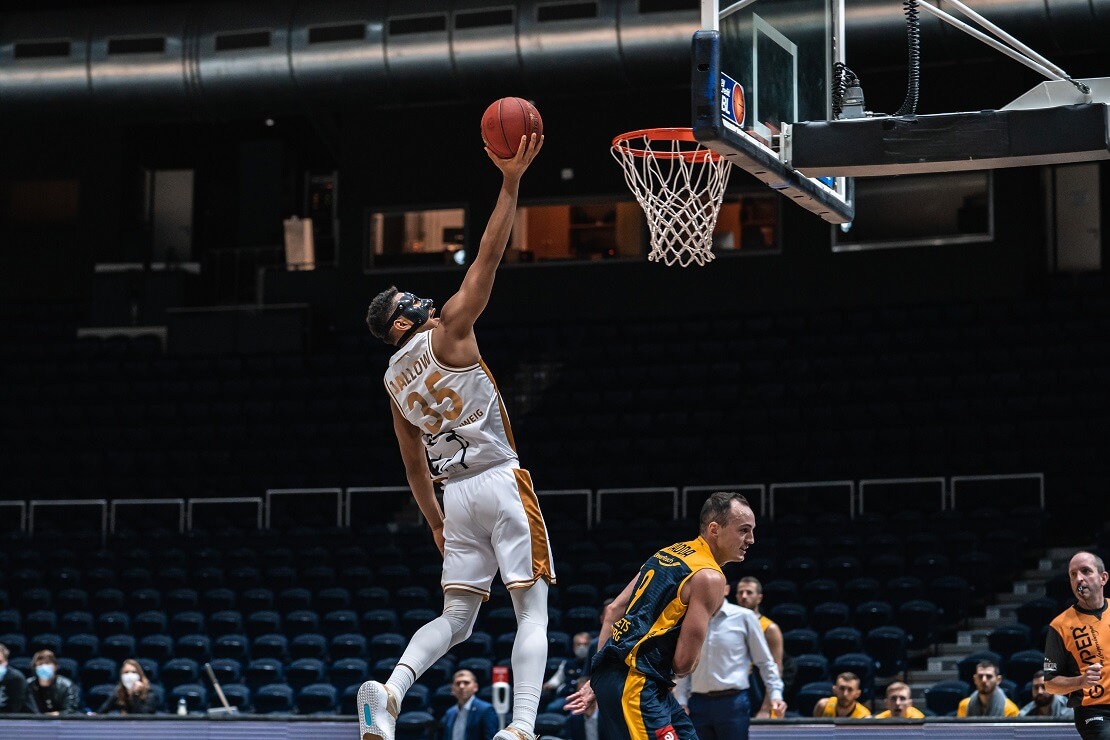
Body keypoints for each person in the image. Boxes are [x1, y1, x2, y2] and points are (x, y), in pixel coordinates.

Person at [358, 133, 551, 740]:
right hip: (498, 477)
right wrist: (511, 183)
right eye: (410, 299)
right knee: (532, 607)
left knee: (458, 618)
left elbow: (413, 468)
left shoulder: (393, 381)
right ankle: (520, 728)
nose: (423, 297)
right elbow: (488, 259)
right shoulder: (450, 330)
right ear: (401, 322)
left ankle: (390, 693)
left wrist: (436, 523)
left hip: (455, 498)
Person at [564, 491, 758, 740]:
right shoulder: (710, 576)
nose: (751, 539)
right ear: (714, 529)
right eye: (743, 530)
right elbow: (683, 664)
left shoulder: (667, 553)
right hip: (636, 684)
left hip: (620, 679)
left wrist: (595, 680)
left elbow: (612, 612)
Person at [673, 578, 786, 739]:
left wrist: (776, 695)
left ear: (725, 590)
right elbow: (686, 663)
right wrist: (681, 700)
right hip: (697, 703)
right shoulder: (691, 618)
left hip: (733, 702)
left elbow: (765, 662)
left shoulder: (745, 617)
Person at [1043, 550, 1110, 738]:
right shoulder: (1060, 626)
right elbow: (1050, 684)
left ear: (1103, 578)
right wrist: (1081, 681)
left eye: (1085, 571)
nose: (1079, 579)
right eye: (1073, 575)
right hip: (1095, 712)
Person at [735, 576, 787, 717]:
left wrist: (765, 708)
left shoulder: (770, 628)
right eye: (740, 592)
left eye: (749, 592)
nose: (744, 596)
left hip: (757, 690)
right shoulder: (728, 624)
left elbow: (776, 668)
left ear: (759, 598)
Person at [442, 669, 500, 740]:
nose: (461, 686)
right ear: (452, 689)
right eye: (458, 683)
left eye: (466, 683)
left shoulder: (486, 710)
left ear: (475, 687)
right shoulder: (450, 713)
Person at [25, 650, 80, 715]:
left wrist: (53, 715)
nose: (44, 667)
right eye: (40, 664)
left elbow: (71, 710)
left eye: (47, 663)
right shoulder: (28, 685)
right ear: (35, 668)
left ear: (55, 666)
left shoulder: (67, 685)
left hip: (62, 722)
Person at [543, 632, 593, 700]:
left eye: (585, 644)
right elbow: (557, 679)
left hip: (587, 698)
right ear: (574, 647)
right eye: (579, 644)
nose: (582, 648)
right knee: (553, 707)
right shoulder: (567, 663)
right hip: (566, 696)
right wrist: (549, 685)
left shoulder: (595, 663)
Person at [0, 643, 28, 714]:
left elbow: (16, 709)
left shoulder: (16, 678)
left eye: (0, 662)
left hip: (14, 721)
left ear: (6, 662)